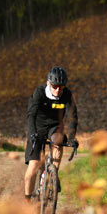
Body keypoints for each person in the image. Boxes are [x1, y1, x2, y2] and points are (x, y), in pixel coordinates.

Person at [24, 66, 78, 201]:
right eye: (54, 86)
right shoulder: (39, 92)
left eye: (61, 86)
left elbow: (73, 117)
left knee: (59, 140)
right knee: (34, 166)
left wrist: (71, 138)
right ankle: (27, 199)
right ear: (48, 83)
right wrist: (32, 133)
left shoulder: (66, 94)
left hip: (54, 127)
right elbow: (31, 114)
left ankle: (53, 175)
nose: (58, 90)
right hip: (37, 127)